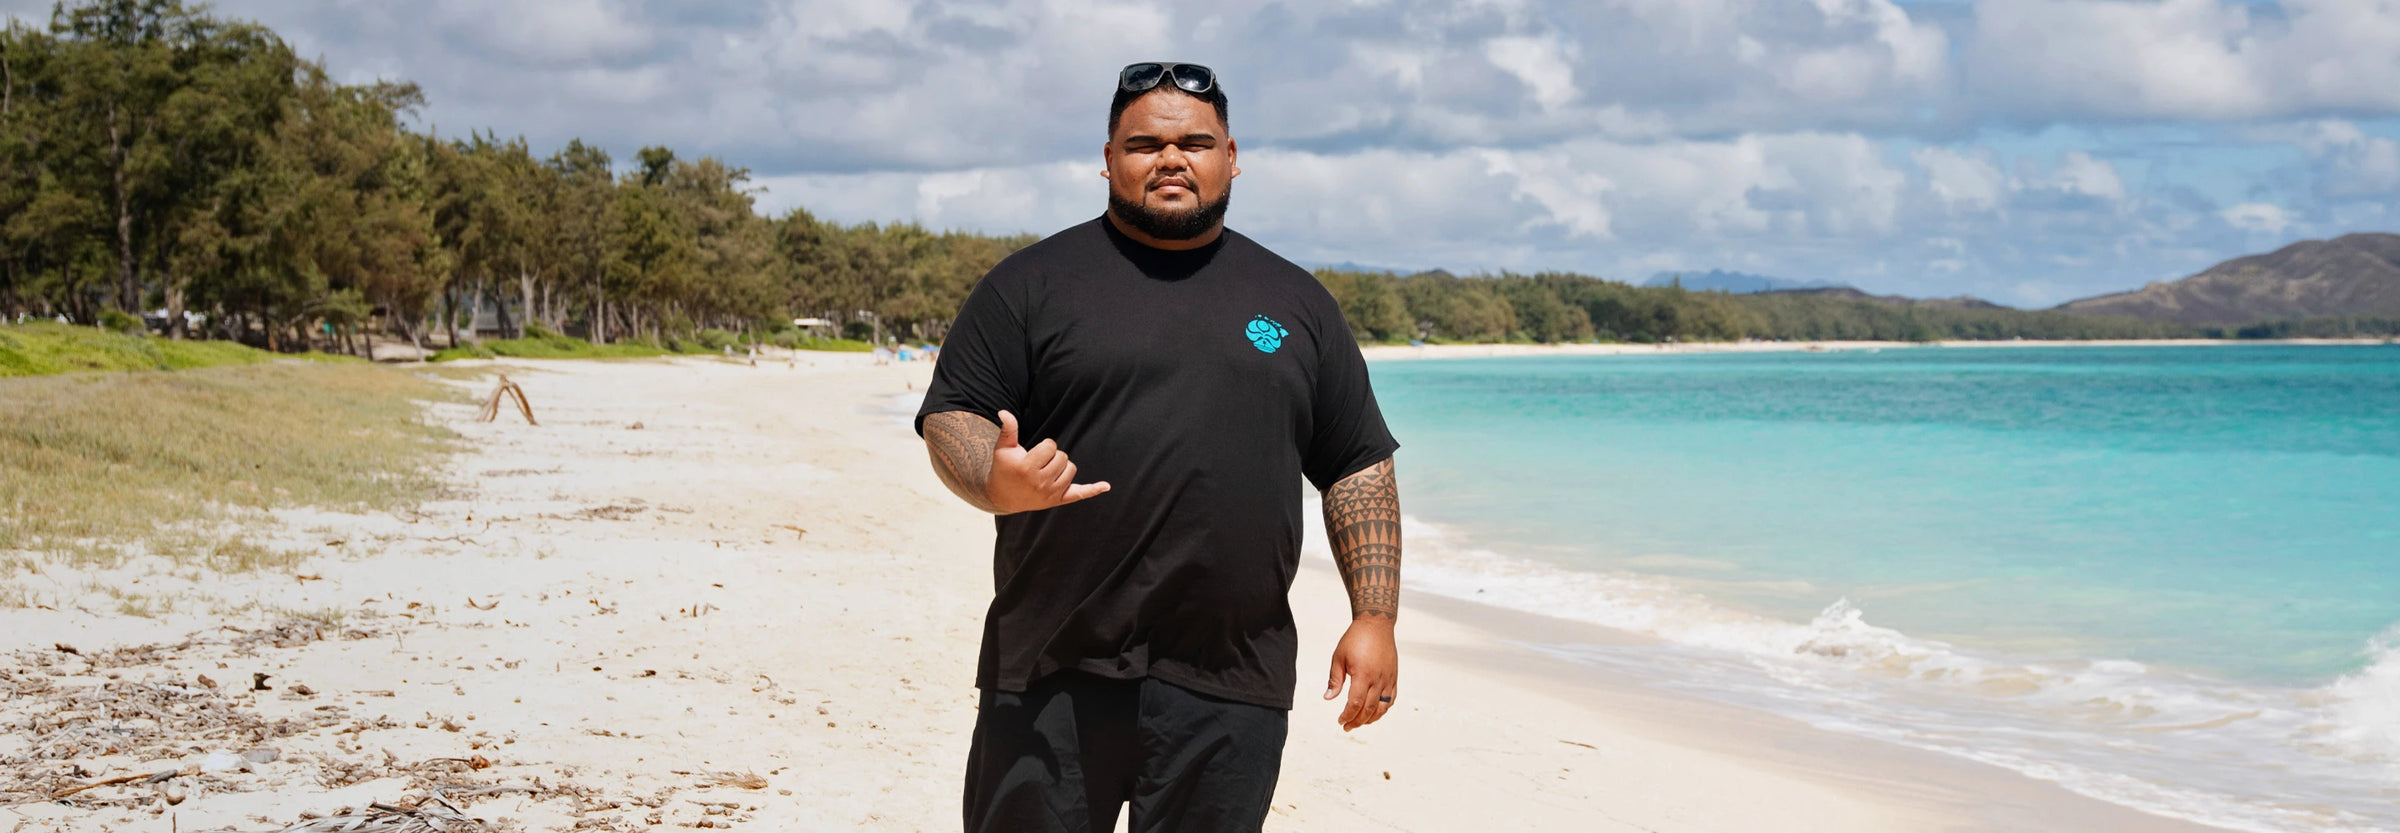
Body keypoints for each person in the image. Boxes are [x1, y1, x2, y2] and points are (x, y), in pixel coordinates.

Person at [915, 62, 1403, 833]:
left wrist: (1374, 615)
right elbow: (955, 417)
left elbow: (1356, 462)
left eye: (1195, 143)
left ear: (1232, 156)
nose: (1171, 158)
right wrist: (992, 479)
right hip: (1050, 664)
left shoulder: (1297, 303)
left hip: (1232, 677)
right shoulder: (1030, 285)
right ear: (1108, 158)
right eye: (1145, 143)